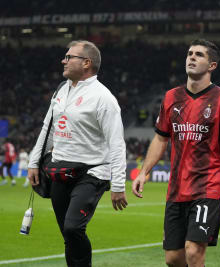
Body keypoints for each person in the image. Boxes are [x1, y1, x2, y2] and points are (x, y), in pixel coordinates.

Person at [132, 39, 220, 267]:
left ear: (212, 65)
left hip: (208, 187)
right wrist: (143, 172)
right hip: (177, 189)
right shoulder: (172, 97)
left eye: (199, 55)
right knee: (173, 259)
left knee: (193, 252)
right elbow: (161, 138)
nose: (191, 57)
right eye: (190, 53)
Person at [27, 40, 128, 267]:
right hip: (61, 170)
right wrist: (34, 163)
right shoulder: (61, 91)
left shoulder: (104, 98)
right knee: (67, 234)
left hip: (92, 173)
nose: (63, 60)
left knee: (73, 227)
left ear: (86, 63)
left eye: (69, 57)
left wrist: (119, 185)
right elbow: (48, 128)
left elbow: (117, 143)